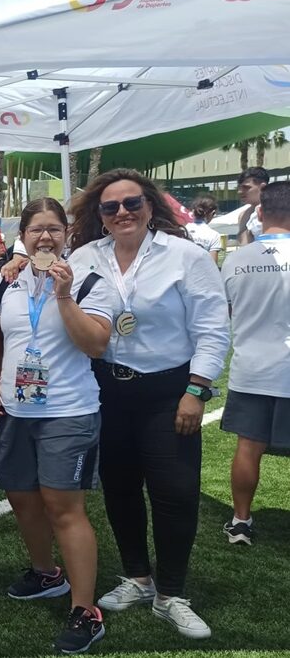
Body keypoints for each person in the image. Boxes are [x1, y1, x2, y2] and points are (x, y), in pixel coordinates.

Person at [67, 168, 229, 640]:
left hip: (168, 391)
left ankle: (171, 593)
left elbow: (212, 327)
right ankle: (137, 577)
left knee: (175, 492)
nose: (122, 213)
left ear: (150, 206)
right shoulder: (85, 256)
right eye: (110, 207)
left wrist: (197, 390)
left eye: (131, 203)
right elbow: (56, 297)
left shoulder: (185, 256)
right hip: (106, 390)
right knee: (120, 488)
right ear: (100, 214)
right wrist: (17, 265)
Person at [0, 198, 113, 655]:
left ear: (67, 234)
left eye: (54, 229)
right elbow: (1, 336)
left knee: (64, 508)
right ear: (23, 236)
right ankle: (46, 574)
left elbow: (96, 344)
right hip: (16, 410)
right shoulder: (9, 280)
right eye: (36, 230)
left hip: (67, 411)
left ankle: (85, 610)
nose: (45, 237)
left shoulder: (90, 280)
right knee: (21, 498)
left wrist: (64, 295)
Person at [220, 181, 290, 546]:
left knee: (248, 447)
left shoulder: (236, 259)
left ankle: (241, 521)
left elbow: (225, 311)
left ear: (260, 213)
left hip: (251, 369)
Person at [185, 195, 223, 265]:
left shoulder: (182, 230)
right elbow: (212, 265)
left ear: (193, 211)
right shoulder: (214, 235)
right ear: (213, 213)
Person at [235, 166, 268, 245]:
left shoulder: (276, 212)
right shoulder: (243, 215)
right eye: (239, 187)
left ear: (262, 187)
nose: (240, 191)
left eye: (246, 187)